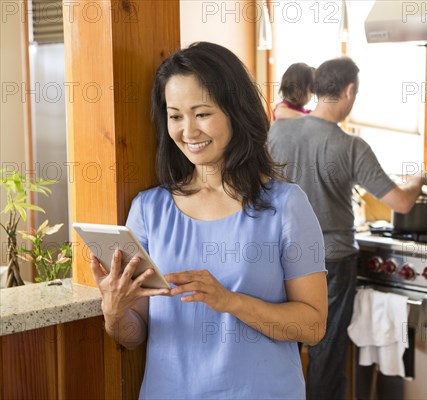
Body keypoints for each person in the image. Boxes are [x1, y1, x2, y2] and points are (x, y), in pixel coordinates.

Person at [90, 42, 328, 399]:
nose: (188, 131)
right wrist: (115, 311)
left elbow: (312, 326)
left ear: (235, 111)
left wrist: (230, 301)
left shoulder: (286, 205)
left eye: (202, 113)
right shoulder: (148, 210)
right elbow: (134, 333)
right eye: (175, 115)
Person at [268, 56, 427, 400]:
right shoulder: (351, 145)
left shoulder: (278, 130)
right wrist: (418, 180)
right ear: (349, 91)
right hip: (332, 263)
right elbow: (400, 203)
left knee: (284, 351)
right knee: (326, 354)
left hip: (281, 256)